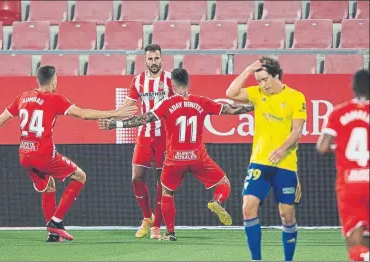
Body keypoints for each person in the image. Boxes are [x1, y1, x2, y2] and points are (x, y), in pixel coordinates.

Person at [0, 65, 137, 242]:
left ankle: (52, 234)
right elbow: (83, 114)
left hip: (24, 154)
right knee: (80, 176)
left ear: (37, 80)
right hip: (44, 155)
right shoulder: (54, 98)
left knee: (49, 186)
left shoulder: (22, 97)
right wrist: (116, 113)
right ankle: (56, 222)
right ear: (54, 79)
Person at [99, 68, 254, 241]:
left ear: (172, 85)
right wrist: (254, 106)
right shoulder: (201, 101)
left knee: (167, 192)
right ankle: (217, 201)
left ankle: (170, 233)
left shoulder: (167, 103)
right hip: (197, 157)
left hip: (174, 159)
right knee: (223, 183)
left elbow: (143, 119)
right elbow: (231, 109)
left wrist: (116, 125)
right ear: (188, 83)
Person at [226, 57, 306, 261]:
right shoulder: (257, 93)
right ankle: (256, 259)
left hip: (285, 165)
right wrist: (248, 69)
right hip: (260, 162)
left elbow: (297, 131)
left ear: (276, 76)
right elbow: (231, 93)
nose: (262, 85)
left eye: (264, 79)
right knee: (247, 207)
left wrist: (281, 150)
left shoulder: (296, 97)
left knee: (287, 215)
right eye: (259, 80)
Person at [118, 44, 173, 239]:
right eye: (150, 59)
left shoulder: (170, 80)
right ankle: (147, 217)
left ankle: (156, 226)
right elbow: (128, 106)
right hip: (144, 134)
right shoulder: (138, 81)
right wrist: (113, 117)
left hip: (165, 137)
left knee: (161, 182)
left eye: (156, 58)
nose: (154, 62)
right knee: (136, 178)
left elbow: (178, 106)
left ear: (162, 59)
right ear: (145, 61)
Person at [317, 69, 369, 262]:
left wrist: (340, 147)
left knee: (355, 246)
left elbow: (322, 147)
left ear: (352, 88)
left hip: (350, 184)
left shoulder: (339, 112)